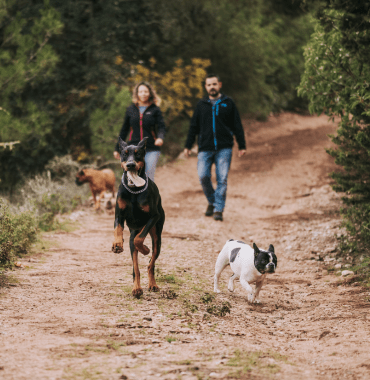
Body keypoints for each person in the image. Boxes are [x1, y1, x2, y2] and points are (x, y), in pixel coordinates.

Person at [183, 74, 246, 221]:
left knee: (222, 178)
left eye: (214, 84)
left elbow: (237, 125)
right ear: (206, 87)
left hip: (224, 148)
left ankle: (218, 209)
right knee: (203, 176)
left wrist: (241, 145)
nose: (212, 87)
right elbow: (193, 127)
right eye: (209, 85)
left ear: (220, 85)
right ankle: (212, 201)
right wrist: (188, 145)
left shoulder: (228, 103)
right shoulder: (201, 105)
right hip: (204, 148)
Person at [113, 82, 166, 182]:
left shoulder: (155, 109)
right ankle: (135, 196)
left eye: (146, 91)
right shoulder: (130, 109)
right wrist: (117, 148)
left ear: (150, 93)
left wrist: (160, 137)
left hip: (151, 148)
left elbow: (161, 127)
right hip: (133, 149)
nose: (143, 94)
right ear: (137, 94)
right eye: (141, 91)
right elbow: (124, 129)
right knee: (133, 174)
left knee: (148, 174)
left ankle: (148, 197)